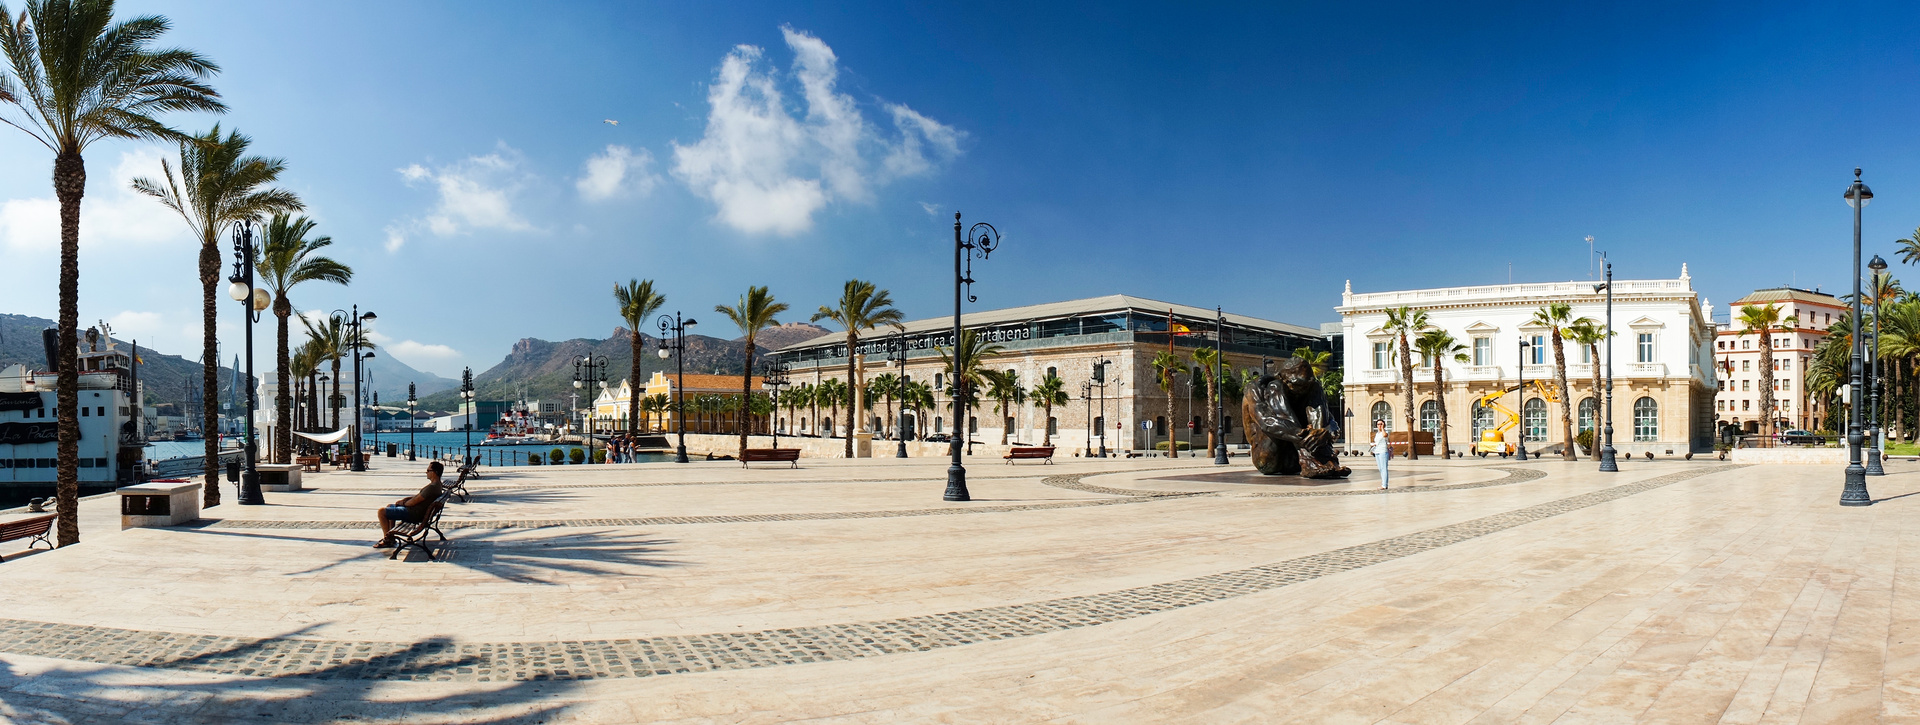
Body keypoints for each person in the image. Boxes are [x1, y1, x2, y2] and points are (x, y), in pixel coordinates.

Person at [375, 460, 445, 548]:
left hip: (413, 514)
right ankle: (390, 538)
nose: (426, 472)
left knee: (381, 512)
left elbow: (412, 503)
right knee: (390, 506)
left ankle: (387, 540)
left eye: (428, 470)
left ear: (435, 472)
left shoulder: (432, 487)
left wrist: (403, 503)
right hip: (417, 512)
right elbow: (418, 497)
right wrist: (405, 500)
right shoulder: (437, 485)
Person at [1369, 420, 1391, 489]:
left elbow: (1385, 435)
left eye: (1381, 424)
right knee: (1380, 468)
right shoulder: (1377, 434)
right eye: (1378, 424)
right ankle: (1383, 483)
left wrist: (1383, 428)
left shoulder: (1385, 432)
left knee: (1384, 468)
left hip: (1383, 451)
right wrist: (1373, 444)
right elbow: (1377, 442)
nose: (1379, 425)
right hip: (1377, 451)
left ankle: (1384, 485)